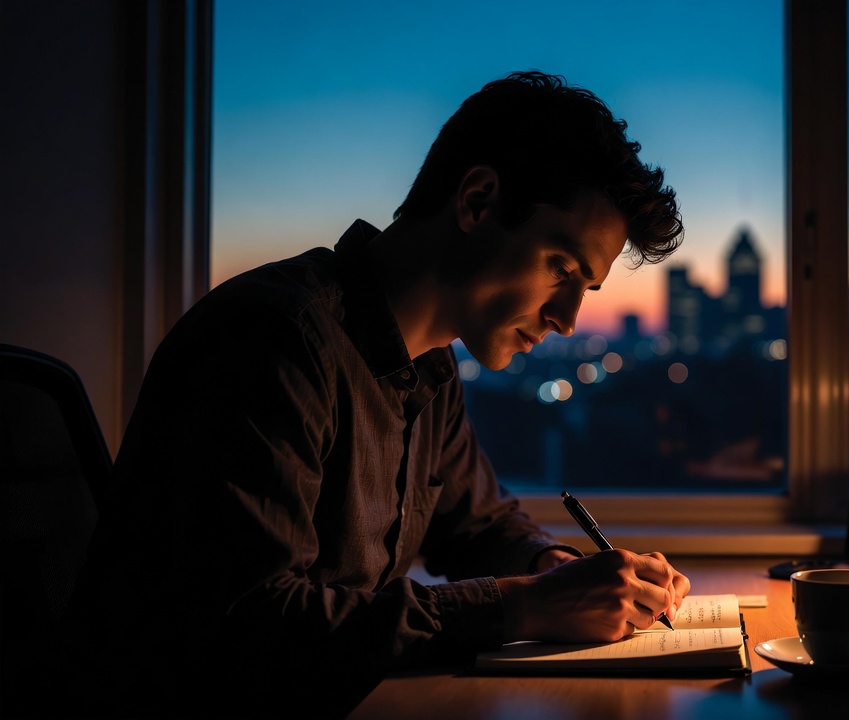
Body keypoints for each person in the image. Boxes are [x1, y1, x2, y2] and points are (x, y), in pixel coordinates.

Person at [62, 71, 688, 718]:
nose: (566, 319)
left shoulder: (432, 364)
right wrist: (523, 605)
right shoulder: (275, 341)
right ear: (477, 202)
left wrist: (556, 569)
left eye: (584, 289)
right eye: (561, 268)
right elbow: (253, 625)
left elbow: (476, 524)